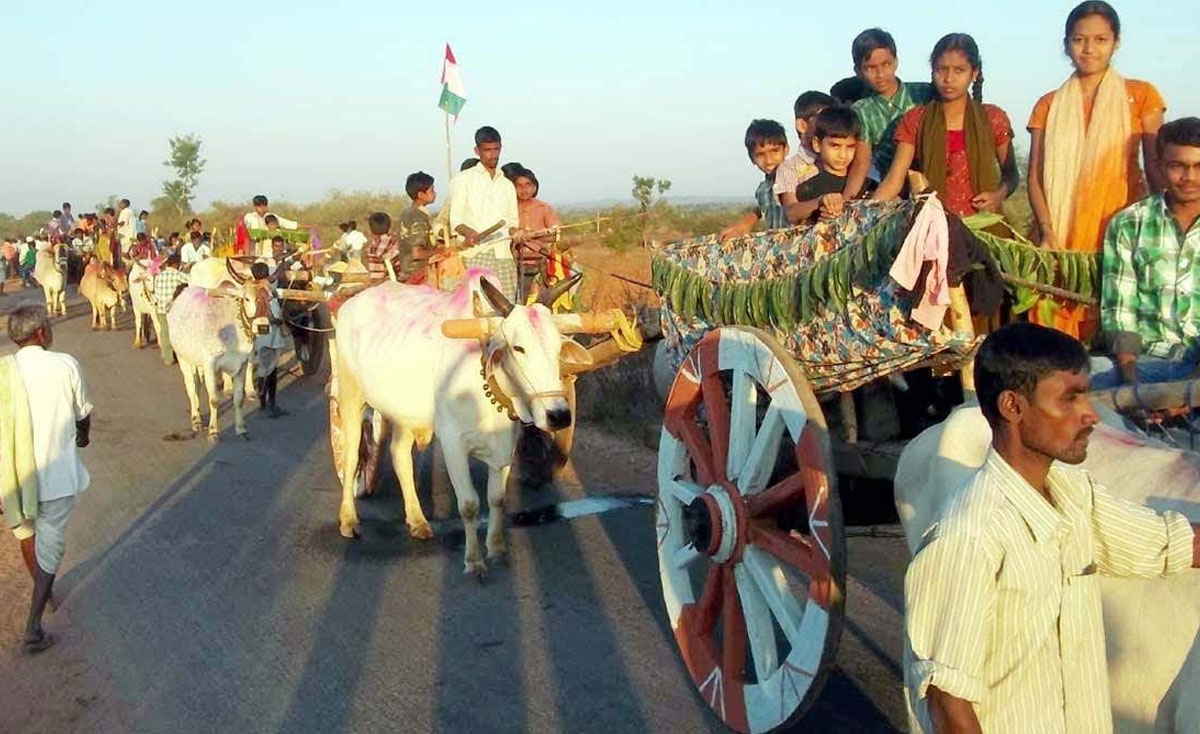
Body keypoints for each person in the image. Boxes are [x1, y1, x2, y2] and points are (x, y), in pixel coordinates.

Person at [904, 322, 1199, 734]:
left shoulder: (1074, 496)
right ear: (1013, 406)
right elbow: (948, 702)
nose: (1092, 414)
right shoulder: (968, 538)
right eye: (1069, 399)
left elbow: (1168, 543)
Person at [1027, 2, 1167, 342]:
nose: (1089, 49)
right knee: (1054, 340)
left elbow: (1155, 167)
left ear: (1116, 42)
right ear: (1066, 44)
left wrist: (1165, 225)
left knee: (1119, 334)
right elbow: (1034, 177)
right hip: (1059, 238)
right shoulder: (1048, 104)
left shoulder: (1141, 95)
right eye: (1079, 40)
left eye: (1100, 39)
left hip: (1121, 230)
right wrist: (1047, 231)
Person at [0, 304, 93, 652]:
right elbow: (83, 413)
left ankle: (45, 589)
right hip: (54, 477)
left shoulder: (3, 372)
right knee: (51, 546)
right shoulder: (65, 364)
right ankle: (33, 627)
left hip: (11, 477)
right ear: (41, 333)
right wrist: (83, 436)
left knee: (27, 532)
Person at [1092, 117, 1200, 388]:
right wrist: (1134, 387)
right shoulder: (1129, 223)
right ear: (1160, 165)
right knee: (1086, 377)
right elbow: (1120, 310)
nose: (1189, 178)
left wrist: (1189, 390)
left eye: (1199, 167)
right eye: (1177, 166)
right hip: (1147, 362)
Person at [874, 33, 1019, 218]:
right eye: (941, 70)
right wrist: (868, 215)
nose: (949, 79)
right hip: (932, 224)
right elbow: (894, 180)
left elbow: (1011, 175)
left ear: (974, 73)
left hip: (984, 224)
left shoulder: (993, 118)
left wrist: (998, 195)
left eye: (959, 70)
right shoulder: (916, 120)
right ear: (932, 71)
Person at [447, 126, 527, 300]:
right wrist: (469, 233)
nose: (493, 155)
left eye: (496, 149)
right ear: (477, 151)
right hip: (476, 254)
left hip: (503, 254)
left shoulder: (507, 185)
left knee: (508, 307)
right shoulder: (462, 180)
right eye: (487, 150)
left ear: (501, 148)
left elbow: (511, 222)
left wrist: (516, 232)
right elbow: (456, 221)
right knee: (479, 307)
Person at [851, 28, 936, 182]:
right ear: (858, 71)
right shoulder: (861, 110)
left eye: (886, 64)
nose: (880, 74)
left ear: (896, 62)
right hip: (887, 186)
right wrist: (848, 196)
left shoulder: (924, 94)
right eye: (870, 68)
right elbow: (861, 163)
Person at [795, 106, 877, 223]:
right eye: (835, 146)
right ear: (817, 144)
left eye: (850, 147)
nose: (843, 155)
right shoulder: (807, 190)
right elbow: (794, 216)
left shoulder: (870, 187)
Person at [719, 119, 789, 241]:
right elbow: (762, 208)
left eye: (775, 151)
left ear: (786, 149)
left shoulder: (799, 178)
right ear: (752, 158)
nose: (769, 160)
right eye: (760, 154)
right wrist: (744, 224)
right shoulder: (763, 190)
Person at [777, 92, 833, 224]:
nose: (829, 125)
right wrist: (822, 202)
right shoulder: (790, 168)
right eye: (823, 120)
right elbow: (791, 212)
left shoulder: (840, 157)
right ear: (802, 125)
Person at [249, 262, 289, 418]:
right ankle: (266, 405)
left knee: (269, 370)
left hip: (268, 337)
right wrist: (281, 322)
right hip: (268, 336)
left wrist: (282, 266)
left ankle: (270, 403)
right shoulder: (262, 292)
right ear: (264, 276)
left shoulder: (263, 288)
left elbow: (275, 276)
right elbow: (270, 316)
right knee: (267, 371)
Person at [513, 168, 560, 298]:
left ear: (534, 187)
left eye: (528, 185)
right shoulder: (509, 208)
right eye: (519, 186)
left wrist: (534, 235)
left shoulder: (544, 208)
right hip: (515, 265)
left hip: (540, 264)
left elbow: (555, 234)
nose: (524, 189)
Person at [397, 171, 437, 284]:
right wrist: (439, 252)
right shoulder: (419, 216)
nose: (435, 193)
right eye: (431, 190)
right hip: (418, 272)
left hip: (406, 267)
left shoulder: (407, 213)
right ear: (421, 195)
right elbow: (417, 253)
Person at [150, 253, 188, 365]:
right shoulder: (177, 274)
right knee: (176, 331)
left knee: (164, 332)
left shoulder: (159, 276)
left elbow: (155, 290)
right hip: (173, 308)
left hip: (160, 307)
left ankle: (167, 357)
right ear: (176, 264)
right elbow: (190, 279)